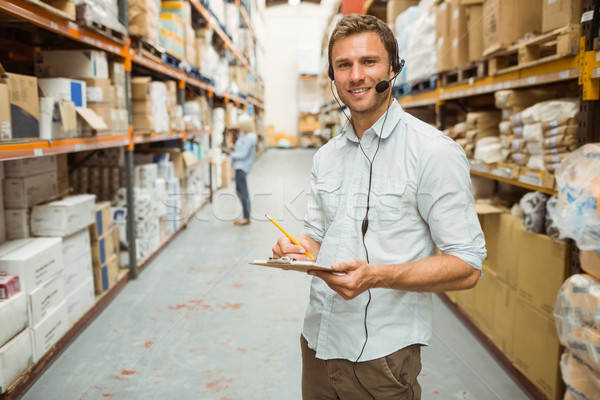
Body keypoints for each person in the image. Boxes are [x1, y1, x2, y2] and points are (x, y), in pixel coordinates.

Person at [271, 14, 486, 400]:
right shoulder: (327, 156)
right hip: (318, 342)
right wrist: (297, 248)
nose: (356, 76)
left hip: (380, 357)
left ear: (393, 67)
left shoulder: (432, 152)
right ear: (332, 76)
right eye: (344, 65)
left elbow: (468, 265)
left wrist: (376, 275)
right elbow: (319, 238)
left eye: (368, 62)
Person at [229, 113, 257, 226]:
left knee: (243, 192)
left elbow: (243, 155)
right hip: (239, 166)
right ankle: (245, 215)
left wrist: (230, 153)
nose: (238, 127)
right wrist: (234, 148)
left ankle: (246, 217)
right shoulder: (246, 135)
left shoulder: (250, 137)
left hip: (242, 167)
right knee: (239, 191)